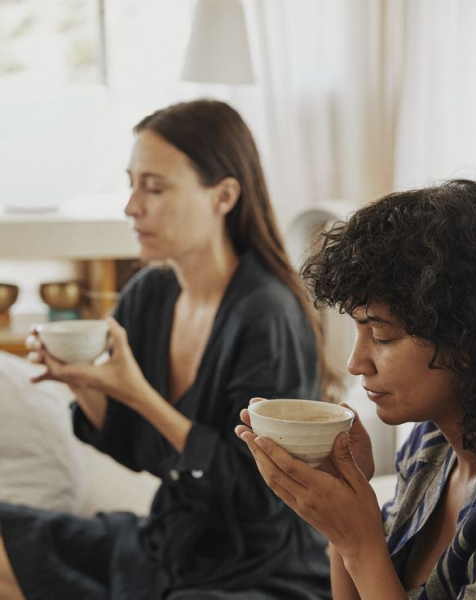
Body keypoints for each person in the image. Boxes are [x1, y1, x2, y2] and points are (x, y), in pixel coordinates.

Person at [0, 99, 337, 600]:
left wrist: (139, 395)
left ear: (223, 196)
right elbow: (133, 446)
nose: (132, 205)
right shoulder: (150, 295)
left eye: (153, 188)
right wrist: (85, 383)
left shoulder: (267, 314)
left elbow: (260, 496)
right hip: (167, 544)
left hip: (256, 565)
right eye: (132, 183)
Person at [237, 179, 476, 599]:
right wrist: (341, 512)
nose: (356, 363)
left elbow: (368, 560)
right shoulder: (434, 444)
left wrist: (360, 542)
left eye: (383, 336)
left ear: (469, 338)